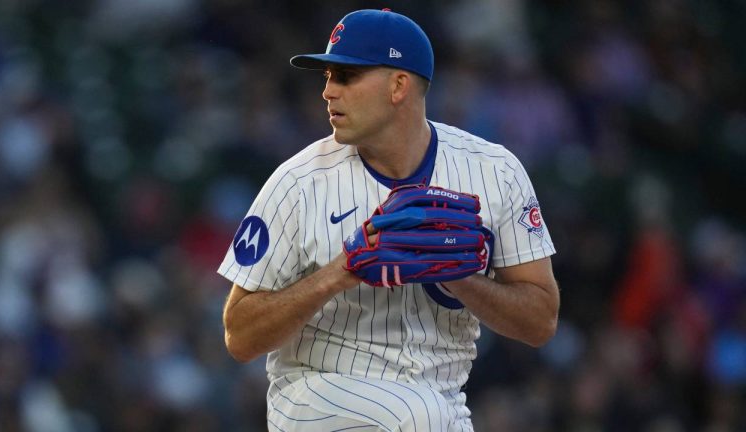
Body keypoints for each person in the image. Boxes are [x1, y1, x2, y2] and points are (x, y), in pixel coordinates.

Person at [219, 9, 559, 431]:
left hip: (443, 402)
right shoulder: (298, 183)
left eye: (345, 76)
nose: (327, 92)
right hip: (318, 394)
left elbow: (541, 321)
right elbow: (239, 335)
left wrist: (458, 276)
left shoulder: (494, 172)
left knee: (427, 417)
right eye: (327, 76)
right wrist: (339, 272)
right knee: (417, 418)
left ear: (399, 85)